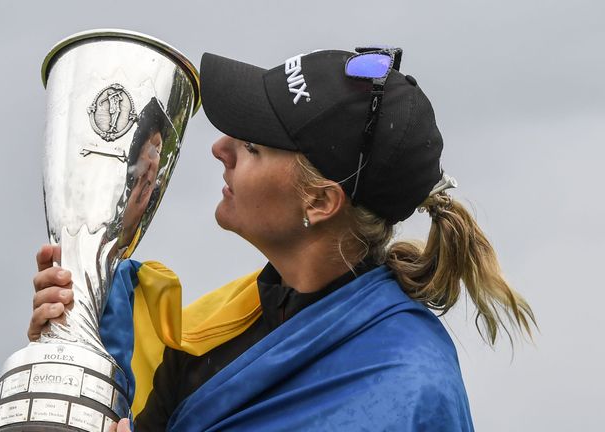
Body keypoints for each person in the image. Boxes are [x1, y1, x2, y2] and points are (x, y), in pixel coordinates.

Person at [29, 47, 535, 431]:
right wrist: (72, 355)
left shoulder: (409, 389)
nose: (220, 147)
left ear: (320, 202)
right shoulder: (224, 325)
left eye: (251, 146)